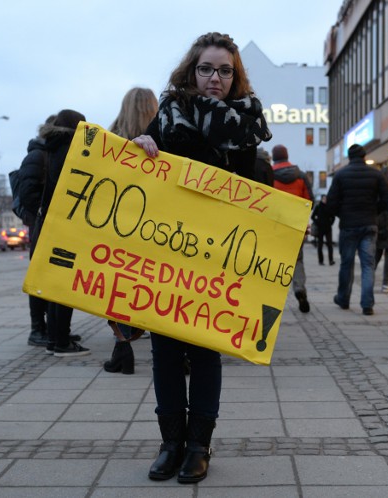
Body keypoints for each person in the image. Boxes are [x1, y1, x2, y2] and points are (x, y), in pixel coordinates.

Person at [133, 32, 272, 484]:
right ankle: (170, 442)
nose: (215, 78)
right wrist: (141, 146)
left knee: (206, 349)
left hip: (216, 255)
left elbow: (256, 193)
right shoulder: (169, 114)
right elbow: (141, 171)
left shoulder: (247, 123)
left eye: (225, 70)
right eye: (207, 69)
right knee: (165, 351)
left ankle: (198, 445)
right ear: (191, 71)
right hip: (166, 249)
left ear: (236, 76)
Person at [102, 87, 159, 375]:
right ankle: (180, 354)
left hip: (119, 227)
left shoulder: (111, 141)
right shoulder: (162, 140)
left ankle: (122, 350)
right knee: (159, 289)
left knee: (119, 290)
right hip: (156, 229)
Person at [17, 115, 83, 348]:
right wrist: (47, 215)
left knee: (53, 280)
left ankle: (53, 331)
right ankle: (39, 330)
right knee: (43, 280)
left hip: (46, 224)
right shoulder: (39, 155)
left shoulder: (49, 152)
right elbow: (28, 193)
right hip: (44, 225)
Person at [36, 109, 90, 357]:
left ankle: (54, 338)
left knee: (54, 285)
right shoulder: (71, 148)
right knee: (64, 286)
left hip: (51, 223)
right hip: (67, 226)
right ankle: (61, 341)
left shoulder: (50, 147)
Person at [326, 144, 388, 315]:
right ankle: (367, 304)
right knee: (368, 265)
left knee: (346, 264)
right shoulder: (376, 174)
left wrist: (342, 214)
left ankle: (343, 299)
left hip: (348, 225)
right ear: (364, 156)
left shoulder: (340, 175)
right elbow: (386, 198)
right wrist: (375, 212)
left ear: (349, 156)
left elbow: (331, 202)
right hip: (369, 223)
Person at [271, 144, 313, 313]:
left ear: (274, 157)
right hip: (296, 225)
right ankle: (299, 289)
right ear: (287, 155)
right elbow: (310, 201)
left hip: (276, 225)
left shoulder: (270, 175)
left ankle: (272, 297)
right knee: (297, 260)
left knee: (274, 260)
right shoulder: (301, 176)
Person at [311, 195, 335, 266]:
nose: (325, 200)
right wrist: (317, 222)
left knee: (330, 245)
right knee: (320, 245)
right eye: (323, 199)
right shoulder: (318, 207)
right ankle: (320, 261)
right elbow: (313, 216)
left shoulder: (329, 207)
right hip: (320, 229)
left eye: (326, 199)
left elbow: (333, 217)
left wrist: (330, 223)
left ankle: (331, 260)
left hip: (328, 228)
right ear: (321, 199)